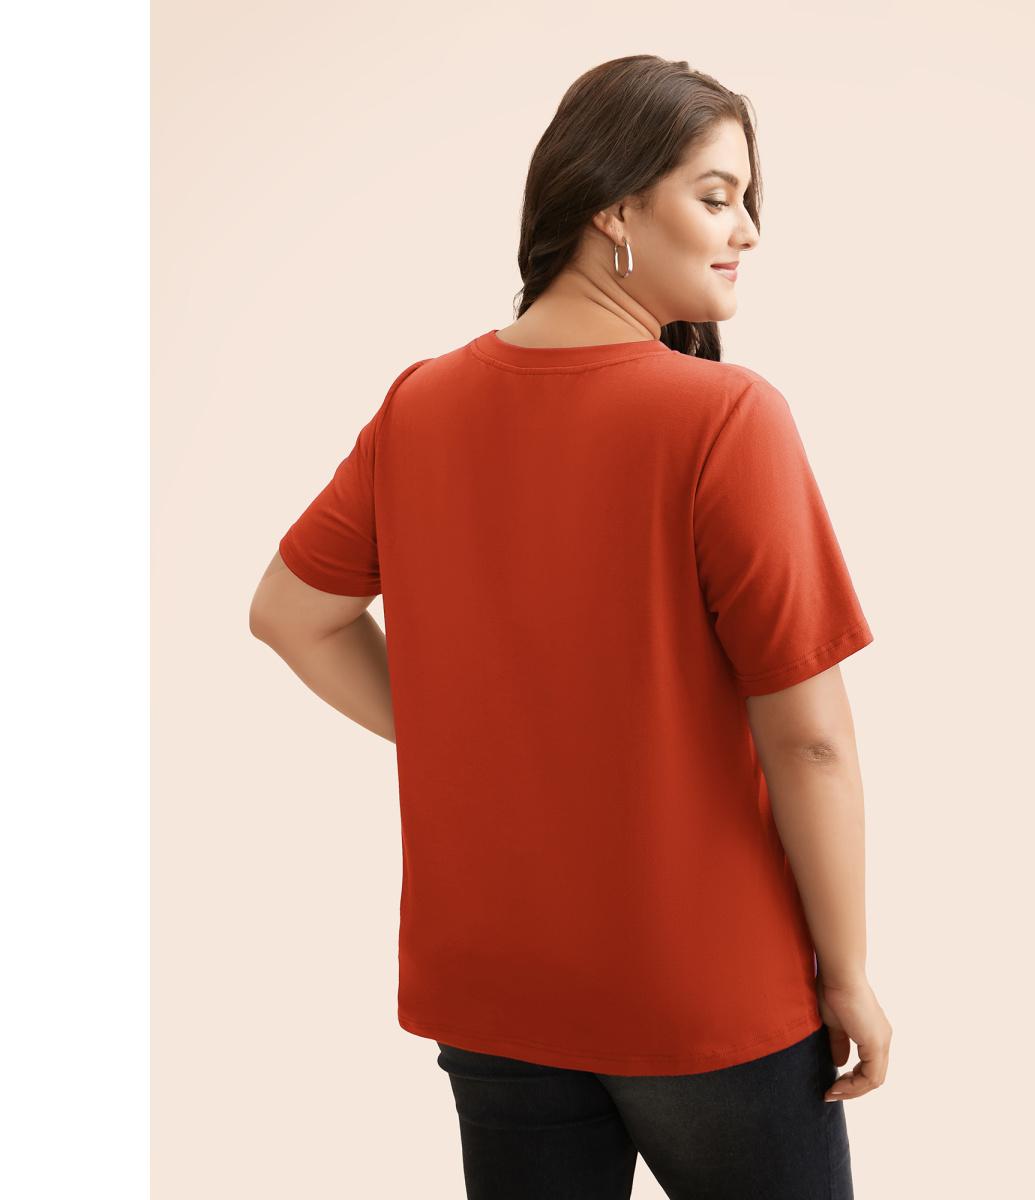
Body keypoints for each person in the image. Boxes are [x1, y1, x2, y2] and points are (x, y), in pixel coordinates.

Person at [250, 53, 892, 1200]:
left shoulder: (420, 404)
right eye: (716, 195)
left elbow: (293, 616)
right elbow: (810, 741)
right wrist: (846, 974)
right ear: (614, 208)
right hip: (705, 992)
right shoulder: (726, 418)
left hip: (495, 988)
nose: (746, 230)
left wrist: (469, 737)